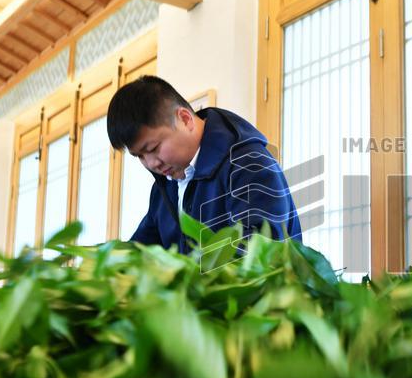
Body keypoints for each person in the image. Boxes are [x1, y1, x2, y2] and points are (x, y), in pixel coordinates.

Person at [107, 75, 302, 250]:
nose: (151, 163)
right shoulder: (165, 184)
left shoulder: (248, 164)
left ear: (185, 119)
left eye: (153, 149)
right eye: (139, 156)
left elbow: (260, 256)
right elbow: (142, 250)